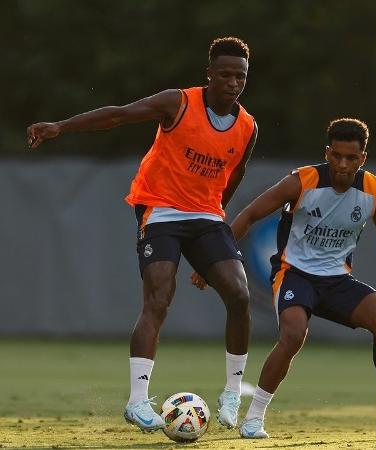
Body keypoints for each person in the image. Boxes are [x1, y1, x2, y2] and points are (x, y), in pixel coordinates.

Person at [27, 37, 257, 432]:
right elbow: (118, 114)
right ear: (209, 74)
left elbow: (229, 181)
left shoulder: (249, 127)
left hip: (206, 216)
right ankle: (137, 402)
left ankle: (233, 391)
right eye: (225, 74)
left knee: (239, 293)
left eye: (240, 76)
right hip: (161, 209)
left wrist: (216, 230)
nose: (233, 82)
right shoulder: (178, 103)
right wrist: (59, 127)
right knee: (159, 297)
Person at [195, 118, 376, 439]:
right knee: (293, 335)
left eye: (351, 158)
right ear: (327, 153)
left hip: (336, 280)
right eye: (337, 156)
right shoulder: (302, 182)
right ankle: (254, 418)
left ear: (363, 159)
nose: (343, 165)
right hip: (294, 275)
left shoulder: (374, 192)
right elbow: (249, 215)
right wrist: (212, 263)